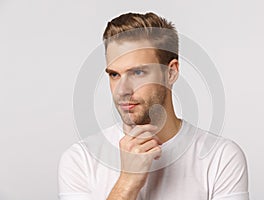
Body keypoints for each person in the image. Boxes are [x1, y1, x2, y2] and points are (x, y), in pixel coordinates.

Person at [58, 12, 249, 200]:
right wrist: (127, 183)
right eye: (114, 74)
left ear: (171, 73)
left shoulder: (220, 157)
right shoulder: (80, 159)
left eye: (138, 72)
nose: (122, 90)